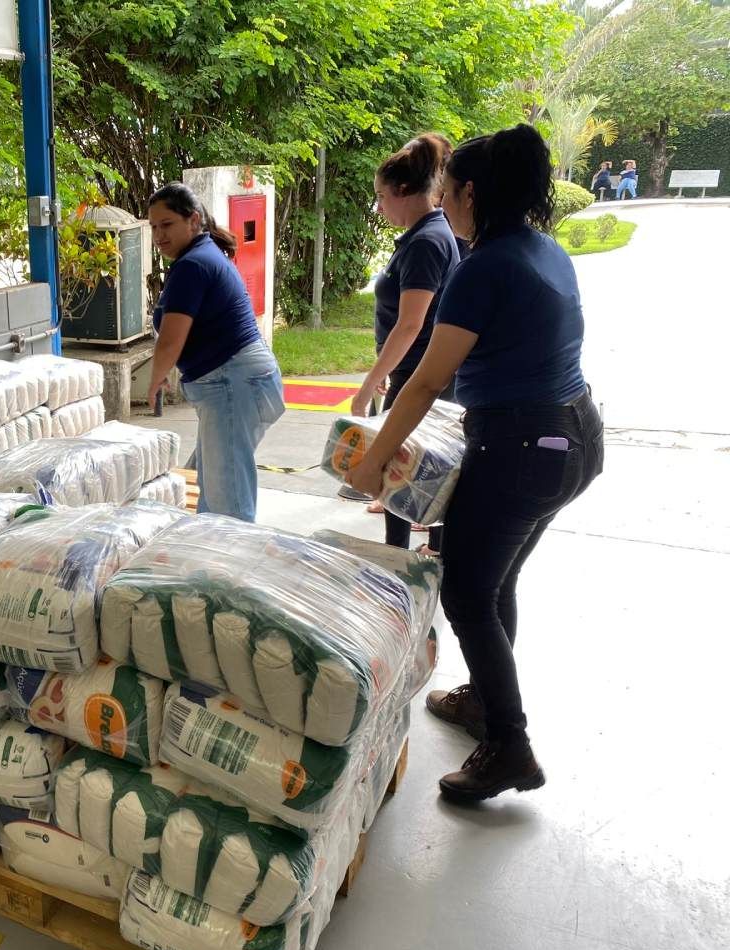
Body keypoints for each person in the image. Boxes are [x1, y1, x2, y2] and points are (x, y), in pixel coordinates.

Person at [343, 123, 604, 804]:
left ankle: (509, 746)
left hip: (523, 449)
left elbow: (426, 381)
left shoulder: (482, 267)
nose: (442, 199)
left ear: (469, 194)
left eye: (449, 189)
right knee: (495, 581)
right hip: (574, 436)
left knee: (464, 590)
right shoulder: (544, 249)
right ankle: (486, 704)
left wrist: (373, 463)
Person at [145, 182, 285, 523]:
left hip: (232, 385)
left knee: (227, 507)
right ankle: (210, 554)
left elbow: (171, 339)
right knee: (212, 491)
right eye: (153, 227)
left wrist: (155, 380)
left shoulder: (193, 265)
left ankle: (231, 558)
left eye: (167, 225)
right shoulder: (200, 256)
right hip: (237, 383)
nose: (159, 236)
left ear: (193, 220)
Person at [349, 133, 460, 555]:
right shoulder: (424, 234)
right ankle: (415, 552)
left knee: (400, 465)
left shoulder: (427, 242)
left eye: (381, 197)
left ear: (404, 190)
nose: (379, 208)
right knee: (411, 468)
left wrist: (368, 384)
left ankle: (404, 556)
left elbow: (410, 324)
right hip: (412, 369)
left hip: (420, 374)